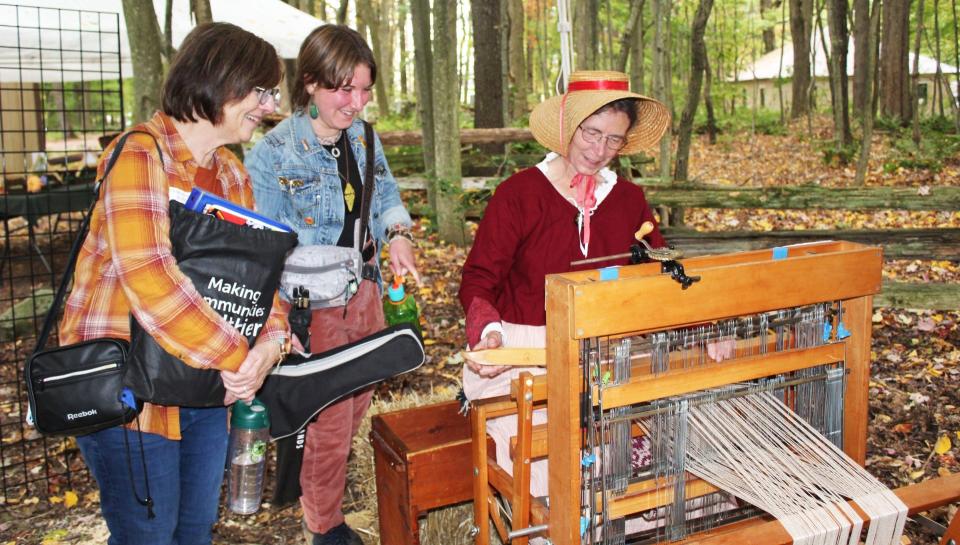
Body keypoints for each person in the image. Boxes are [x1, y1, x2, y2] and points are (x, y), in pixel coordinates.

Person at [59, 23, 288, 545]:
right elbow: (151, 281)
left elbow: (259, 279)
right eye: (262, 91)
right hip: (129, 391)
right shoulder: (140, 155)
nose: (269, 106)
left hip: (205, 386)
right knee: (148, 534)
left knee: (193, 530)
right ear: (220, 80)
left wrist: (270, 346)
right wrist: (238, 358)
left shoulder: (233, 175)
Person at [458, 70, 671, 497]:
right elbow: (479, 279)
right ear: (567, 127)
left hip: (607, 355)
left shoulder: (629, 200)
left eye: (614, 140)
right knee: (556, 466)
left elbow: (660, 274)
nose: (599, 150)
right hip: (526, 356)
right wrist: (489, 331)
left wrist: (695, 327)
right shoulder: (518, 195)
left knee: (662, 448)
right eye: (591, 133)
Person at [245, 24, 419, 545]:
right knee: (329, 416)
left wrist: (398, 236)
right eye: (345, 89)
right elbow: (265, 250)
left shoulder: (364, 138)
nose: (357, 102)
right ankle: (324, 526)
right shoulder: (272, 154)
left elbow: (384, 190)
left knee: (360, 398)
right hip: (311, 305)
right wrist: (273, 323)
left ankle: (323, 507)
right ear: (311, 84)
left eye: (365, 90)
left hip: (364, 294)